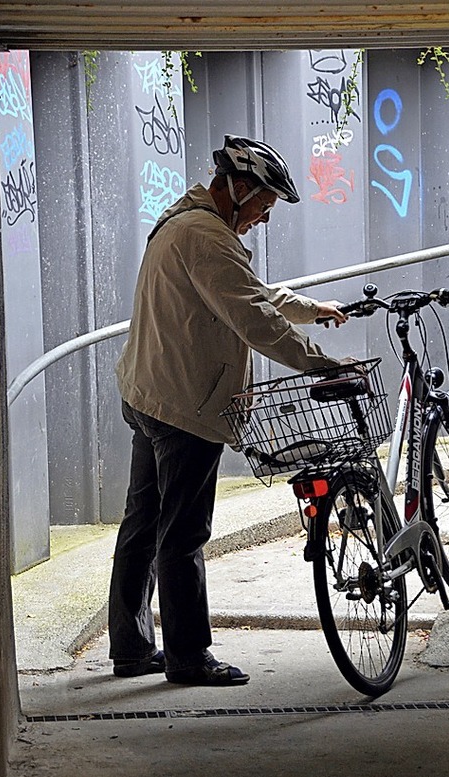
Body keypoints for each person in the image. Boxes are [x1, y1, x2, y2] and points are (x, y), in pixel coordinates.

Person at [108, 134, 348, 687]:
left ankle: (132, 648)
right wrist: (322, 366)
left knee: (143, 523)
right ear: (238, 190)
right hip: (185, 406)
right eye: (263, 206)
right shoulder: (207, 238)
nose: (263, 219)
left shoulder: (188, 223)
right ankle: (188, 656)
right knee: (184, 533)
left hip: (148, 393)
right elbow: (254, 319)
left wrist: (313, 310)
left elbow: (251, 293)